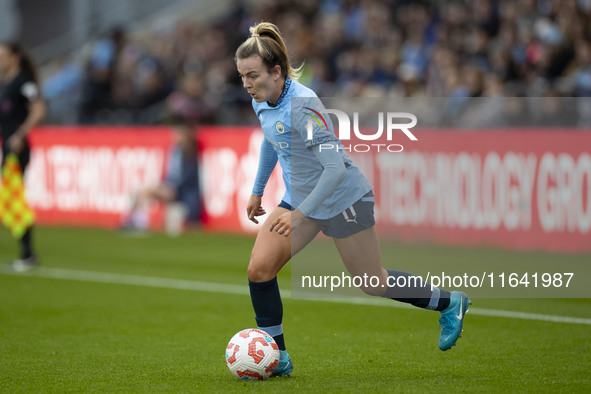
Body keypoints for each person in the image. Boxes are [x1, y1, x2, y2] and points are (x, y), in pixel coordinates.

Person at [235, 22, 471, 377]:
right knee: (259, 269)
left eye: (252, 75)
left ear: (277, 71)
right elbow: (272, 138)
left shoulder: (303, 105)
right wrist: (257, 189)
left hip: (344, 198)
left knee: (372, 282)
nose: (247, 84)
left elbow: (334, 170)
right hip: (303, 200)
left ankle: (449, 302)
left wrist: (299, 215)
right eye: (242, 77)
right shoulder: (262, 100)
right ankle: (278, 357)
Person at [0, 42, 46, 271]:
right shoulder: (5, 84)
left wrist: (20, 134)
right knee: (9, 199)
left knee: (14, 198)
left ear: (15, 58)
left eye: (3, 56)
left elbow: (39, 110)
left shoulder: (23, 83)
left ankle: (28, 254)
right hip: (7, 148)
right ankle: (26, 252)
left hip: (17, 149)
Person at [121, 123, 200, 231]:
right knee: (139, 191)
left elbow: (186, 177)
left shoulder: (189, 153)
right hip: (169, 186)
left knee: (144, 192)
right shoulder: (174, 150)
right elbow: (170, 173)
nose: (175, 136)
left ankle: (137, 223)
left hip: (177, 190)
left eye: (178, 133)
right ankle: (131, 220)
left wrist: (170, 185)